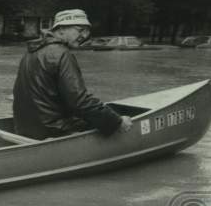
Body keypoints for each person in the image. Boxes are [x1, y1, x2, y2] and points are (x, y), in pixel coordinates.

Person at [12, 8, 133, 140]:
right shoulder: (62, 54)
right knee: (109, 120)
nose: (85, 36)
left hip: (24, 129)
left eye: (87, 31)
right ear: (61, 29)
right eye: (80, 30)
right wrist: (116, 122)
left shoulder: (30, 52)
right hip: (52, 130)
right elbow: (80, 101)